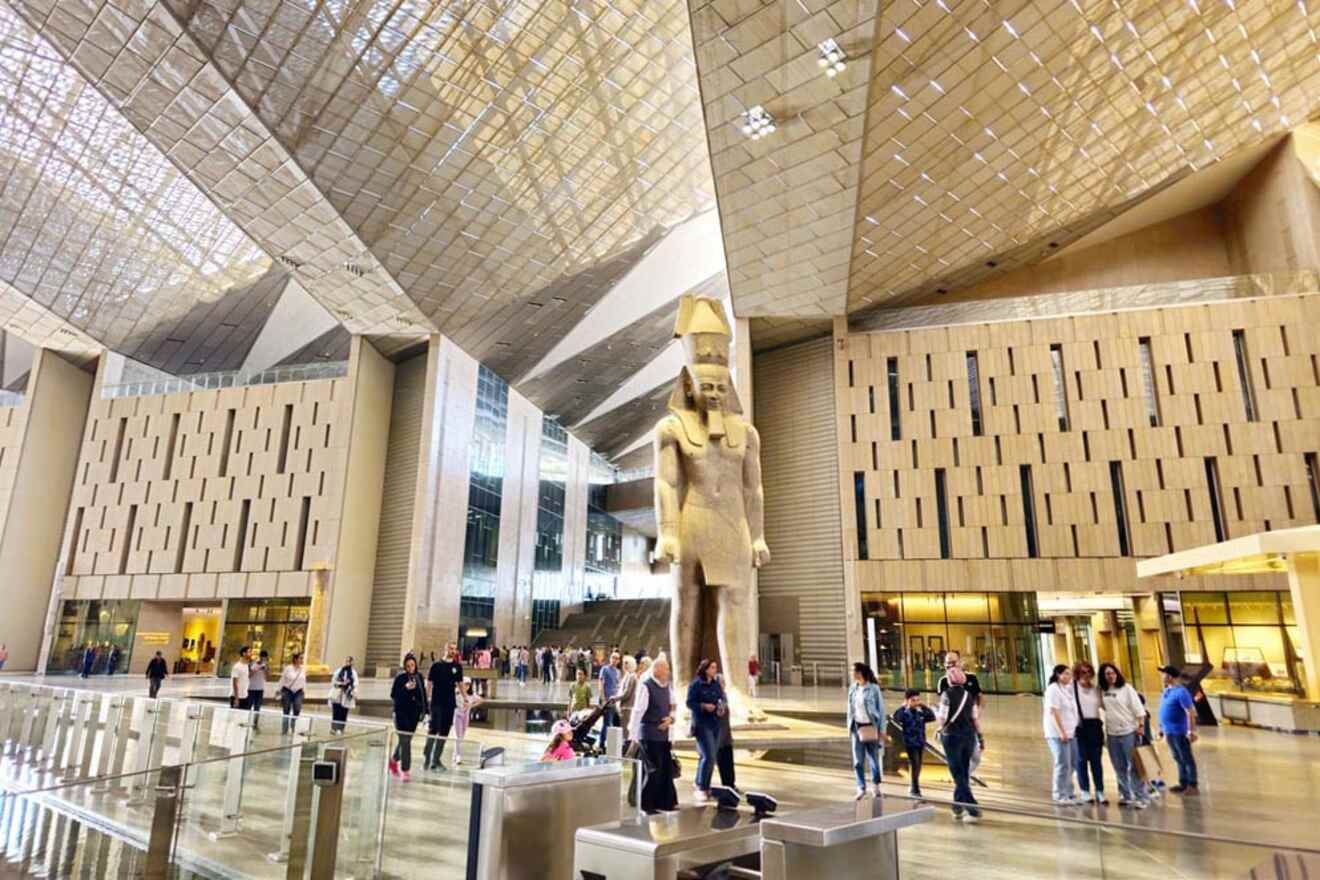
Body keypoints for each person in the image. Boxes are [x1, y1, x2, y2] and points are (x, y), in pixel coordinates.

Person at [628, 653, 679, 813]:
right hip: (649, 735)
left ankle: (664, 802)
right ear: (657, 670)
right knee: (653, 770)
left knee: (665, 770)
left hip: (663, 736)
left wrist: (671, 720)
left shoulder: (667, 686)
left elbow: (673, 706)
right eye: (666, 669)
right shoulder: (646, 686)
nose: (668, 672)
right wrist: (633, 736)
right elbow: (638, 711)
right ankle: (646, 804)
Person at [937, 655, 983, 822]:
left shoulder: (946, 695)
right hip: (969, 736)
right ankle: (957, 806)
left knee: (957, 773)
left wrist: (939, 728)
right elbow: (975, 718)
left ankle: (972, 807)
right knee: (963, 771)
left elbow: (942, 718)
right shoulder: (969, 696)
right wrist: (980, 737)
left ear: (949, 680)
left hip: (952, 737)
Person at [1098, 662, 1149, 808]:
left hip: (1128, 732)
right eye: (1107, 674)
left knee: (1134, 766)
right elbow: (1102, 706)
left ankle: (1141, 797)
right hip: (1112, 734)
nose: (1111, 676)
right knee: (1118, 766)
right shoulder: (1102, 690)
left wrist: (1140, 727)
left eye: (1113, 673)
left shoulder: (1126, 689)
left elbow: (1139, 710)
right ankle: (1125, 795)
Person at [686, 658, 726, 804]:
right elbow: (689, 702)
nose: (715, 670)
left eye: (715, 667)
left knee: (710, 756)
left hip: (715, 723)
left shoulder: (715, 684)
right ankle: (702, 788)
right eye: (713, 667)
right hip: (702, 724)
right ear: (706, 669)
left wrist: (721, 707)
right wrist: (703, 706)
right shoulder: (696, 684)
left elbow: (721, 699)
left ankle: (701, 782)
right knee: (708, 756)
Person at [846, 662, 886, 799]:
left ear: (859, 673)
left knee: (873, 759)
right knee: (858, 761)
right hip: (857, 728)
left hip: (871, 727)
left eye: (853, 671)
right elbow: (849, 710)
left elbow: (881, 710)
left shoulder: (873, 689)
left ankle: (875, 786)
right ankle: (861, 787)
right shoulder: (852, 689)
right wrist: (849, 727)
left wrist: (882, 730)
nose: (851, 673)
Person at [1157, 665, 1199, 794]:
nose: (1162, 676)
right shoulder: (1167, 690)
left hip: (1179, 732)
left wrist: (1191, 731)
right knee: (1177, 757)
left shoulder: (1181, 692)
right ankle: (1183, 782)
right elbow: (1163, 710)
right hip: (1169, 731)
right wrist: (1161, 727)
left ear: (1169, 676)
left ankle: (1192, 785)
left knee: (1186, 758)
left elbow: (1190, 712)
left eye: (1163, 674)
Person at [1044, 664, 1080, 805]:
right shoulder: (1053, 689)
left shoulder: (1066, 689)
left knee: (1071, 763)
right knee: (1063, 763)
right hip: (1058, 734)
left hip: (1071, 732)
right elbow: (1054, 712)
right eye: (1065, 674)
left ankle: (1069, 792)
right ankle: (1059, 794)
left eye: (1069, 674)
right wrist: (1061, 732)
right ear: (1058, 675)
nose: (1068, 676)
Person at [424, 644, 463, 771]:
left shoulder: (457, 667)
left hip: (449, 704)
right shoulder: (436, 665)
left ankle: (436, 759)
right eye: (450, 648)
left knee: (444, 732)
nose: (453, 651)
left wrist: (465, 696)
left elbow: (460, 683)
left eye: (454, 649)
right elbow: (429, 684)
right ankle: (427, 757)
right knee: (433, 729)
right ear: (445, 649)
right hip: (436, 702)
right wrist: (426, 700)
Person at [389, 654, 428, 781]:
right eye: (408, 666)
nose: (411, 668)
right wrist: (405, 688)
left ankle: (394, 760)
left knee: (405, 741)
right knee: (405, 740)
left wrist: (425, 711)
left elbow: (423, 695)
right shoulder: (400, 678)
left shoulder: (419, 677)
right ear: (405, 666)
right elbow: (394, 695)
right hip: (401, 714)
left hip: (414, 714)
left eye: (412, 665)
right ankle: (405, 769)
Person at [1072, 661, 1106, 804]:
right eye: (1082, 672)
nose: (1086, 675)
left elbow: (1105, 706)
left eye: (1088, 672)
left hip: (1095, 726)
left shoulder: (1097, 689)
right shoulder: (1072, 689)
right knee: (1081, 760)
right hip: (1079, 727)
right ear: (1077, 674)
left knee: (1096, 761)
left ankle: (1100, 790)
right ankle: (1085, 790)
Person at [892, 689, 936, 799]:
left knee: (918, 765)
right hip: (910, 743)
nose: (916, 702)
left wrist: (923, 705)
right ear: (907, 700)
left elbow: (932, 716)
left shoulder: (920, 712)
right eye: (913, 700)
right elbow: (896, 718)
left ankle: (914, 785)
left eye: (917, 700)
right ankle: (915, 788)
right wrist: (904, 706)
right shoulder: (904, 713)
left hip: (920, 742)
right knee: (915, 763)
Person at [452, 677, 482, 765]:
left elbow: (481, 700)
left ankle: (455, 753)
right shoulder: (457, 692)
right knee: (457, 736)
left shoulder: (472, 695)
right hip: (457, 715)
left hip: (465, 717)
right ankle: (457, 755)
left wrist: (471, 705)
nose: (467, 686)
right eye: (466, 684)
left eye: (469, 684)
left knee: (461, 736)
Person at [279, 652, 307, 735]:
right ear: (295, 659)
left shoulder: (303, 669)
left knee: (297, 708)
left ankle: (294, 725)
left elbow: (304, 681)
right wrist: (278, 690)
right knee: (286, 710)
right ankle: (284, 729)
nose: (301, 660)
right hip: (288, 691)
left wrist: (304, 691)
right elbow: (282, 679)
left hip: (298, 692)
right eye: (300, 658)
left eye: (302, 658)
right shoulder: (288, 668)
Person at [328, 656, 358, 733]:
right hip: (337, 694)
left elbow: (355, 683)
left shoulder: (353, 673)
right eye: (346, 661)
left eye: (349, 661)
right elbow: (333, 681)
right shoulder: (339, 671)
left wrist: (352, 689)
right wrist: (341, 683)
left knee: (344, 712)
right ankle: (334, 728)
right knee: (336, 711)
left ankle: (341, 729)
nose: (347, 663)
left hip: (346, 695)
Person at [598, 651, 623, 739]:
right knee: (607, 722)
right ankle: (602, 744)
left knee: (614, 722)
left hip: (614, 701)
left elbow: (618, 686)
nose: (614, 660)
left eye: (617, 658)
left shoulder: (618, 672)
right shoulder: (605, 669)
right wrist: (603, 698)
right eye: (613, 657)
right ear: (610, 658)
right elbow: (601, 683)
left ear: (619, 661)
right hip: (607, 700)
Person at [617, 655, 640, 735]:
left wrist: (616, 698)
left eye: (626, 663)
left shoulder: (631, 676)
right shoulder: (627, 676)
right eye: (624, 663)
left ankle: (626, 746)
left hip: (627, 707)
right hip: (624, 706)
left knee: (626, 730)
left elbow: (627, 693)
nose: (624, 665)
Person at [248, 650, 270, 730]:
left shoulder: (266, 665)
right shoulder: (254, 664)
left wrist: (266, 669)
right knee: (249, 705)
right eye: (263, 658)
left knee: (257, 708)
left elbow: (267, 678)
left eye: (265, 658)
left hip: (260, 689)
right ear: (260, 657)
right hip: (251, 688)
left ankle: (255, 723)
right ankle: (246, 720)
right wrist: (257, 668)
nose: (264, 660)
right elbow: (249, 675)